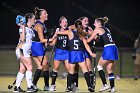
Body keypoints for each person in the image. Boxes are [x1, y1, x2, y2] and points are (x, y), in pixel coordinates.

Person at [55, 20, 96, 92]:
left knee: (71, 71)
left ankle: (68, 87)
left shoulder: (70, 32)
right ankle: (90, 86)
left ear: (75, 26)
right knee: (85, 70)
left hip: (72, 53)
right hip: (80, 53)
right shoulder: (81, 35)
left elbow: (59, 32)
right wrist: (91, 53)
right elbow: (86, 45)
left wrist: (57, 31)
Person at [87, 17, 118, 92]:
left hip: (108, 48)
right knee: (109, 69)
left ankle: (105, 85)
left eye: (95, 22)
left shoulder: (97, 29)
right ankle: (112, 88)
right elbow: (100, 40)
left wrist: (84, 36)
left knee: (99, 66)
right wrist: (95, 37)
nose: (94, 24)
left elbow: (88, 40)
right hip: (114, 47)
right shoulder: (106, 29)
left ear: (98, 23)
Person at [14, 13, 36, 92]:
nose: (35, 20)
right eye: (34, 19)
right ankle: (30, 87)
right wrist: (23, 26)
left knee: (22, 69)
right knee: (29, 67)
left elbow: (30, 42)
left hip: (26, 51)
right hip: (21, 50)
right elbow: (22, 39)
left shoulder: (31, 30)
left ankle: (17, 87)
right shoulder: (23, 28)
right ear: (29, 19)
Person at [31, 7, 50, 91]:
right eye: (45, 14)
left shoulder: (42, 24)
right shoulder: (39, 25)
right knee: (44, 65)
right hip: (36, 46)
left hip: (37, 45)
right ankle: (36, 85)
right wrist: (52, 38)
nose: (46, 14)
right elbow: (41, 39)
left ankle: (41, 85)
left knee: (43, 66)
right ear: (41, 16)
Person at [49, 16, 70, 91]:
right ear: (60, 24)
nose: (65, 24)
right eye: (63, 22)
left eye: (66, 22)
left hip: (67, 52)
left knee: (69, 69)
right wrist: (48, 42)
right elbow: (53, 43)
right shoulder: (57, 30)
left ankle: (69, 86)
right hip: (59, 51)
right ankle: (53, 85)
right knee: (55, 68)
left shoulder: (69, 30)